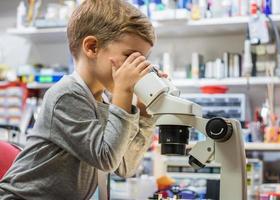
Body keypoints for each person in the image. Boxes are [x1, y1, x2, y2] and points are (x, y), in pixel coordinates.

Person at [0, 0, 164, 199]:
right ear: (92, 47)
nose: (138, 68)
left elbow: (124, 166)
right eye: (130, 57)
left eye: (142, 60)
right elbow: (106, 159)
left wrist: (145, 115)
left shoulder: (102, 100)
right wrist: (123, 93)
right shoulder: (66, 95)